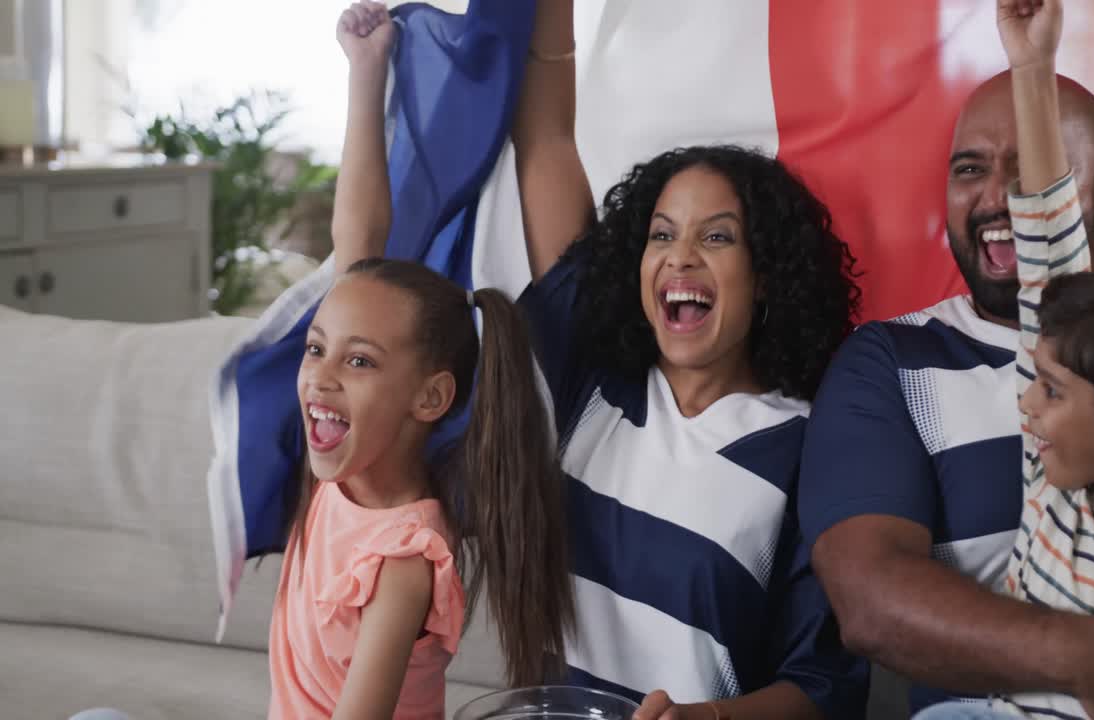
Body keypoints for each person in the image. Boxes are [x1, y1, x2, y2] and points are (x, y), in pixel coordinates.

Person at [798, 0, 1094, 717]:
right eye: (971, 168)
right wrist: (1031, 66)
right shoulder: (1034, 456)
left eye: (1048, 390)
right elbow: (1052, 274)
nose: (1025, 401)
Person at [510, 1, 868, 718]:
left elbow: (821, 688)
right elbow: (546, 139)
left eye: (717, 238)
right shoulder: (594, 380)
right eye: (662, 233)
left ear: (766, 275)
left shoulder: (809, 449)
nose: (680, 255)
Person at [265, 4, 575, 718]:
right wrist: (366, 72)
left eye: (361, 362)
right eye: (317, 349)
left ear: (430, 398)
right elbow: (360, 239)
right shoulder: (339, 474)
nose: (321, 375)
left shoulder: (404, 558)